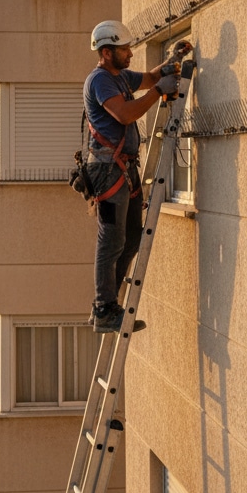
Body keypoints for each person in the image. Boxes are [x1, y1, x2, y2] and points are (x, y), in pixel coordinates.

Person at [83, 20, 188, 333]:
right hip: (106, 170)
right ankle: (104, 308)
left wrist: (171, 63)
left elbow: (151, 77)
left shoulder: (121, 77)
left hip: (124, 168)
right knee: (111, 241)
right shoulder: (100, 80)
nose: (130, 54)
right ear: (106, 52)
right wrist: (158, 91)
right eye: (123, 49)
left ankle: (107, 305)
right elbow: (126, 114)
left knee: (130, 239)